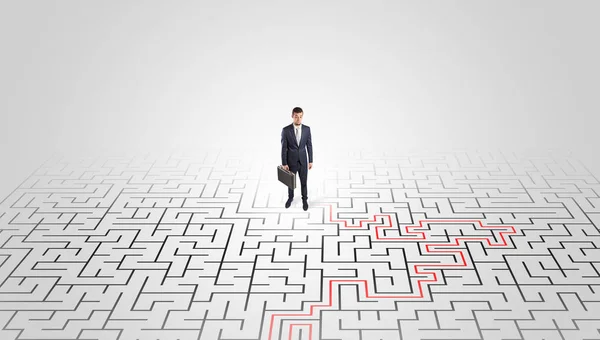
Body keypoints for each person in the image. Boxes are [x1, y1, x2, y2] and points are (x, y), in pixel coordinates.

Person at [281, 107, 313, 210]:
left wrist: (311, 160)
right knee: (290, 182)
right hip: (291, 162)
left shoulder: (307, 129)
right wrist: (284, 163)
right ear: (292, 116)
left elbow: (309, 145)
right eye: (296, 117)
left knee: (304, 182)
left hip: (303, 161)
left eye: (300, 116)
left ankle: (304, 200)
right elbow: (283, 148)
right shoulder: (286, 130)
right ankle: (290, 198)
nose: (298, 119)